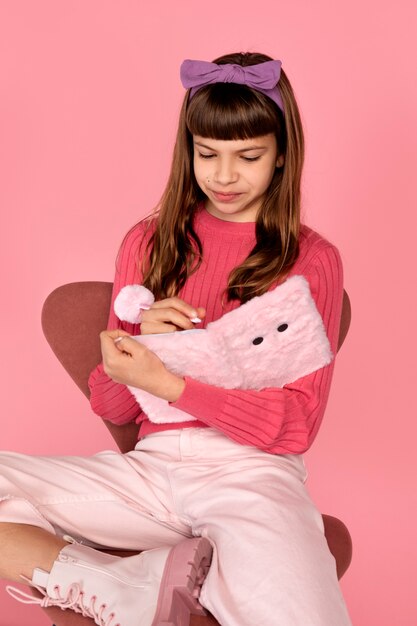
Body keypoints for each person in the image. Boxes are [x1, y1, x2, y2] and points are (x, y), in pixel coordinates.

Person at [0, 52, 352, 626]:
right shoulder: (148, 241)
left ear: (283, 153)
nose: (223, 176)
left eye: (249, 156)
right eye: (206, 154)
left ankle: (178, 574)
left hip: (252, 474)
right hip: (152, 470)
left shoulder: (312, 259)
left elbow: (298, 425)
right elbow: (110, 403)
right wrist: (137, 350)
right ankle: (123, 584)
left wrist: (173, 383)